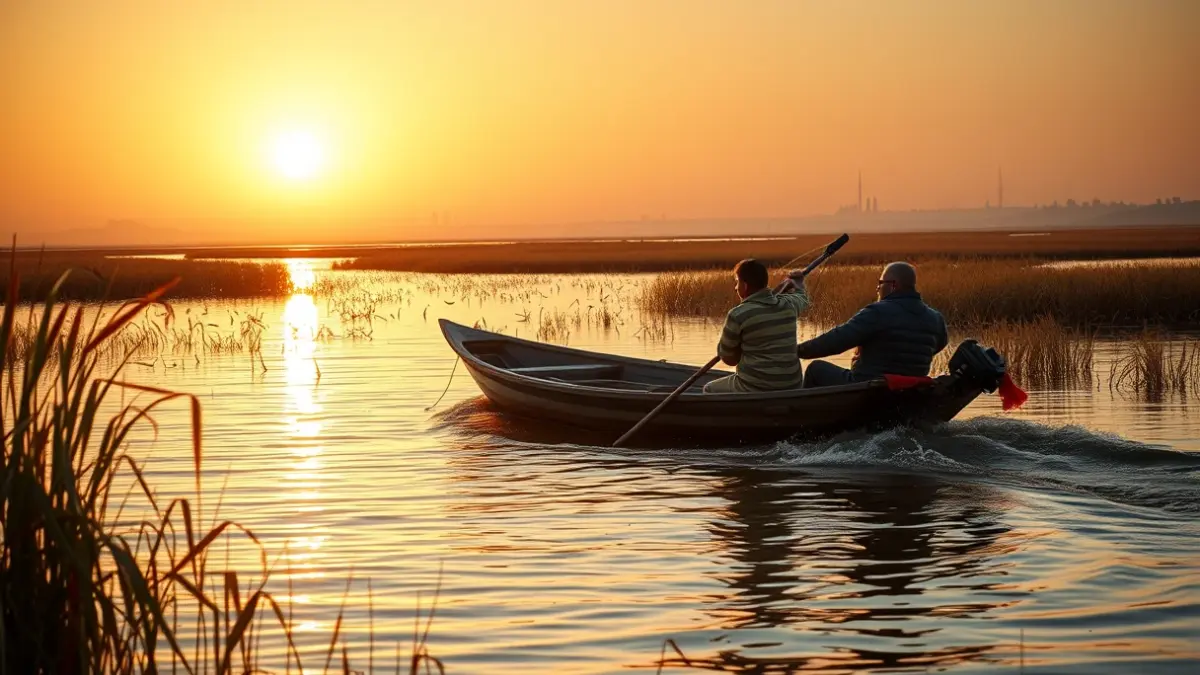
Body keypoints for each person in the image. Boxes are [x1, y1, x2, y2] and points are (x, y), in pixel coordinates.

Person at [797, 261, 947, 388]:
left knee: (815, 369)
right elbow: (939, 344)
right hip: (910, 390)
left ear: (893, 285)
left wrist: (798, 351)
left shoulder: (878, 312)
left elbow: (838, 340)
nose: (877, 288)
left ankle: (803, 420)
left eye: (880, 283)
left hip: (868, 386)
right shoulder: (936, 318)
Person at [703, 259, 810, 393]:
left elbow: (728, 359)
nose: (736, 287)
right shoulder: (789, 305)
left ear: (745, 286)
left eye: (737, 282)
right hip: (792, 385)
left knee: (709, 389)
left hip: (755, 386)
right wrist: (799, 284)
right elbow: (801, 297)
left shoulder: (737, 315)